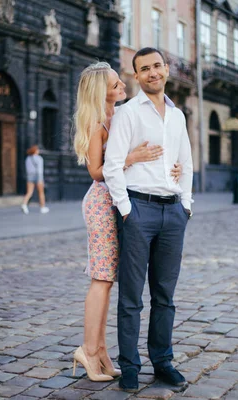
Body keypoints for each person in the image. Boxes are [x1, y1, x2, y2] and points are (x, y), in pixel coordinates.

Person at [72, 62, 183, 382]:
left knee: (111, 281)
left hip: (124, 201)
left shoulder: (118, 117)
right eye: (115, 84)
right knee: (102, 279)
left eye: (121, 82)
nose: (123, 86)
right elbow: (96, 171)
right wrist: (130, 158)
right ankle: (89, 352)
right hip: (102, 202)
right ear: (100, 92)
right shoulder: (96, 123)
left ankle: (102, 351)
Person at [103, 48, 193, 393]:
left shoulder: (178, 116)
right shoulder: (127, 114)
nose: (153, 73)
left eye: (157, 66)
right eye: (145, 69)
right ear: (136, 76)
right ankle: (129, 367)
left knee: (165, 296)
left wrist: (186, 205)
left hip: (172, 213)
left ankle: (162, 362)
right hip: (138, 211)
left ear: (166, 69)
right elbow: (113, 166)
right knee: (131, 297)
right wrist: (126, 211)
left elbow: (185, 163)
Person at [21, 145, 49, 214]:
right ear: (35, 151)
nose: (38, 151)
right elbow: (40, 170)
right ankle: (42, 207)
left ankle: (24, 204)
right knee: (41, 192)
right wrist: (41, 179)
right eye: (37, 150)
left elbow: (27, 169)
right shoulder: (39, 158)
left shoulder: (27, 158)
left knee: (29, 192)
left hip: (30, 176)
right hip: (38, 176)